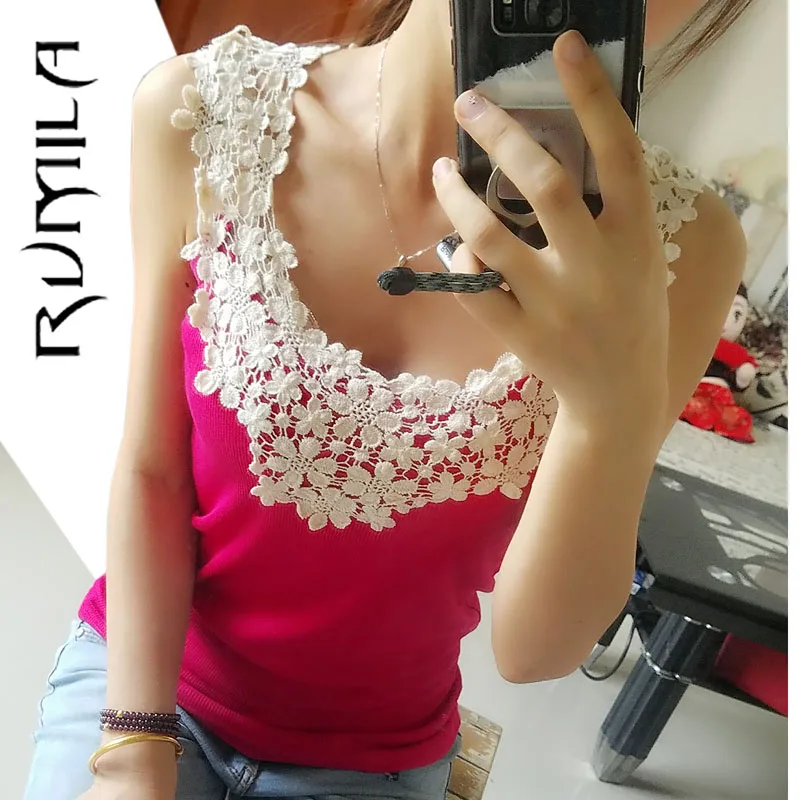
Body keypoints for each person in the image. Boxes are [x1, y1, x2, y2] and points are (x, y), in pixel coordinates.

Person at [24, 1, 752, 799]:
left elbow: (533, 652)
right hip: (142, 687)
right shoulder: (204, 110)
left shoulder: (682, 250)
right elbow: (152, 471)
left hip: (375, 758)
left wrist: (605, 413)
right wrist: (133, 754)